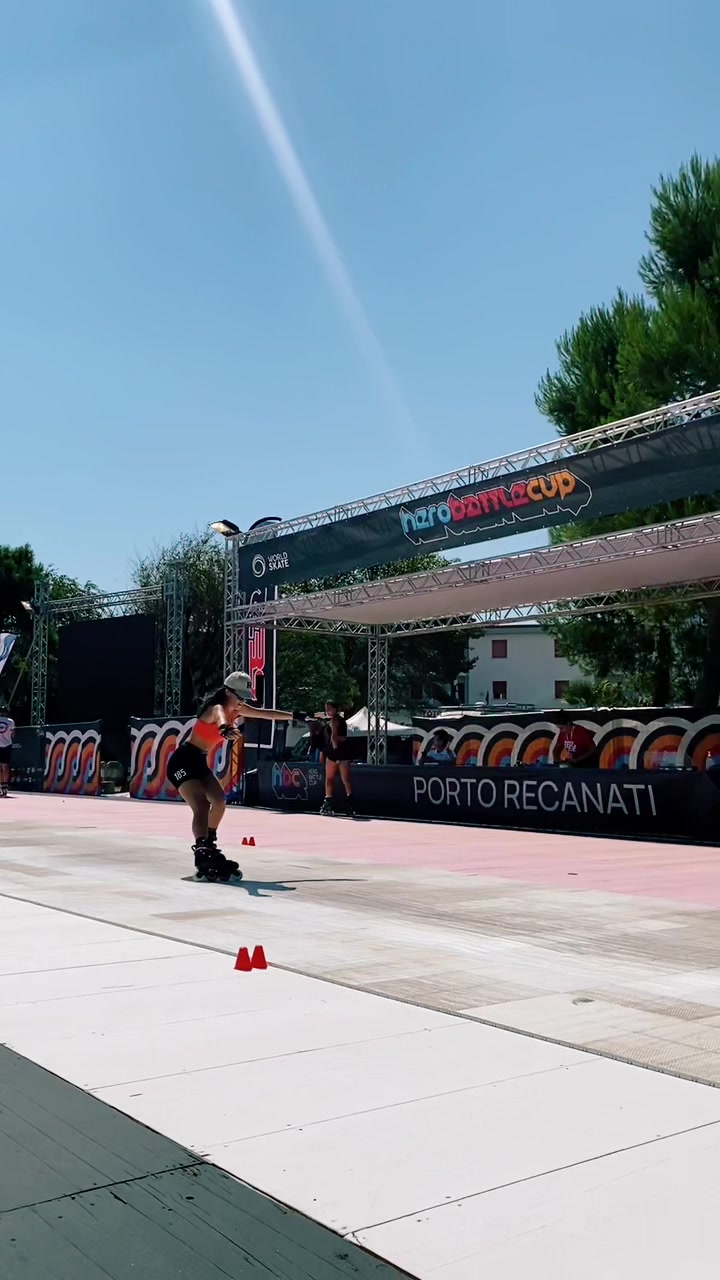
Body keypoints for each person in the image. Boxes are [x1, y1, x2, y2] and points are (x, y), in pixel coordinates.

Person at [166, 671, 293, 880]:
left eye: (245, 698)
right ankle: (201, 848)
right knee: (201, 805)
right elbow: (221, 719)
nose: (242, 702)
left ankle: (209, 843)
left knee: (219, 801)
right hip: (182, 761)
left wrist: (298, 716)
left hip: (199, 761)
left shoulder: (238, 709)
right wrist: (225, 729)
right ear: (227, 692)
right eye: (239, 696)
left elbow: (266, 714)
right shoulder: (216, 708)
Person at [320, 700, 355, 816]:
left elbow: (333, 737)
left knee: (330, 778)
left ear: (335, 709)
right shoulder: (340, 720)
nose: (327, 711)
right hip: (342, 751)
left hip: (335, 752)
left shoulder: (334, 720)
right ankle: (350, 804)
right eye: (326, 709)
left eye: (329, 709)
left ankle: (328, 803)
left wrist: (336, 752)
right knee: (345, 779)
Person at [0, 704, 15, 798]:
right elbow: (13, 734)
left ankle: (1, 785)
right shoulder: (10, 722)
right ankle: (5, 786)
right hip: (7, 745)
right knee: (5, 766)